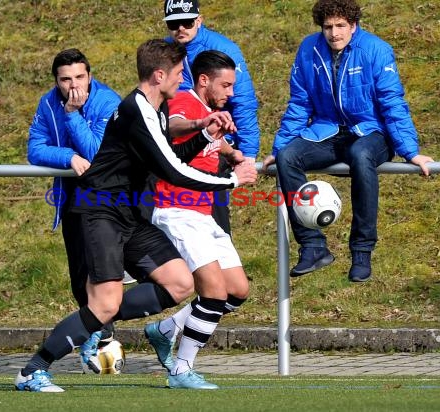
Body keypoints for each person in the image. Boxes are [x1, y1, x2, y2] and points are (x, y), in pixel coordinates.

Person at [13, 39, 257, 393]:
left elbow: (171, 157)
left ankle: (96, 318)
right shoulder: (137, 110)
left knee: (179, 282)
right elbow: (172, 171)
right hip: (99, 213)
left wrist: (204, 133)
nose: (181, 81)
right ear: (159, 75)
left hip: (130, 214)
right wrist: (232, 179)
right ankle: (33, 370)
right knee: (104, 304)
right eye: (177, 75)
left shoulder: (153, 109)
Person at [262, 0, 434, 282]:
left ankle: (362, 250)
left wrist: (411, 152)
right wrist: (279, 147)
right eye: (328, 27)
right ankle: (313, 246)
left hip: (371, 132)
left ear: (353, 26)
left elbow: (392, 104)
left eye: (340, 26)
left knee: (361, 155)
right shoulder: (309, 49)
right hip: (327, 131)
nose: (334, 33)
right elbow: (299, 103)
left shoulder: (376, 50)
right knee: (287, 158)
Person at [144, 50, 250, 390]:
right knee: (214, 292)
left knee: (237, 290)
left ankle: (166, 330)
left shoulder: (209, 111)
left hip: (203, 214)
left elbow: (210, 144)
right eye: (226, 85)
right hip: (177, 211)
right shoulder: (186, 103)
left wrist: (233, 154)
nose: (230, 93)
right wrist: (202, 124)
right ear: (204, 80)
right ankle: (180, 370)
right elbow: (174, 127)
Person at [27, 48, 121, 348]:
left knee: (101, 275)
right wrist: (67, 156)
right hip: (71, 198)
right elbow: (35, 150)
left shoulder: (108, 101)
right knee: (80, 276)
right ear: (56, 80)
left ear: (90, 76)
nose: (73, 85)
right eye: (65, 79)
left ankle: (105, 338)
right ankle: (99, 337)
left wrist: (72, 115)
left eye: (80, 77)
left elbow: (95, 152)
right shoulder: (47, 102)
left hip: (109, 198)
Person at [162, 0, 261, 234]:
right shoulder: (165, 51)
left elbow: (243, 102)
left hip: (213, 148)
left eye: (186, 22)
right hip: (177, 147)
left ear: (199, 20)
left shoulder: (224, 49)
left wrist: (247, 154)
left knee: (214, 226)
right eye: (174, 23)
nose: (180, 29)